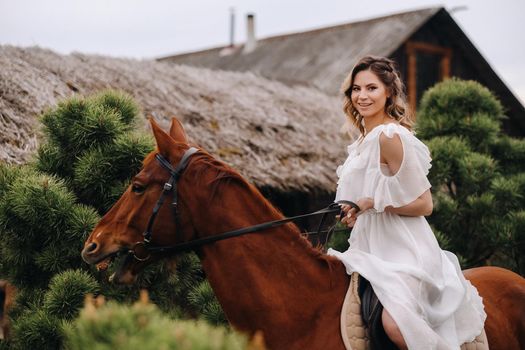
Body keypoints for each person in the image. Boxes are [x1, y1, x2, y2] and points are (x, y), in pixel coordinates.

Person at [327, 56, 486, 350]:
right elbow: (367, 200)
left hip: (403, 250)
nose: (362, 96)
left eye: (371, 88)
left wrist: (373, 204)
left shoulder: (390, 136)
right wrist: (354, 212)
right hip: (367, 247)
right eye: (356, 89)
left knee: (395, 325)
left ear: (388, 92)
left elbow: (424, 204)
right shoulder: (362, 142)